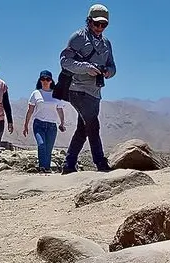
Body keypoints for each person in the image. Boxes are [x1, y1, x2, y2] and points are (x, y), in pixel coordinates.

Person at [58, 4, 116, 174]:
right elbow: (65, 61)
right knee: (93, 125)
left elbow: (113, 66)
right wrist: (86, 68)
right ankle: (100, 163)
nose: (99, 27)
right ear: (89, 21)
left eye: (104, 24)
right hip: (77, 89)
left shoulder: (106, 43)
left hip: (95, 92)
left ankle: (69, 165)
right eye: (96, 23)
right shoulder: (78, 37)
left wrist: (108, 72)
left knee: (83, 130)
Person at [22, 70, 67, 174]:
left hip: (52, 125)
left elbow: (59, 109)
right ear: (40, 80)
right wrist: (26, 125)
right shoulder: (36, 93)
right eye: (43, 79)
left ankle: (47, 168)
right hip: (39, 124)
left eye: (48, 79)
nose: (45, 81)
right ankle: (42, 167)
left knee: (49, 148)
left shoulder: (56, 94)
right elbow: (30, 110)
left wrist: (62, 122)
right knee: (41, 144)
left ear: (51, 81)